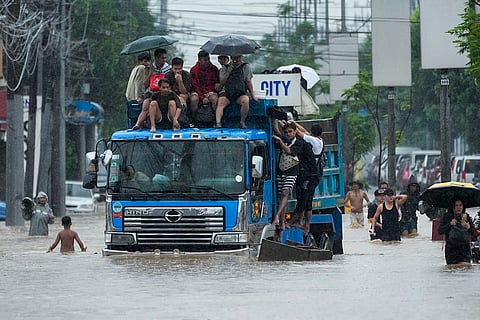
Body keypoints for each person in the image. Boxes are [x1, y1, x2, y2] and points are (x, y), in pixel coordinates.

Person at [288, 121, 323, 232]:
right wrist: (294, 123)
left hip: (310, 175)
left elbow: (299, 133)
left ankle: (296, 222)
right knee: (307, 202)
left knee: (304, 201)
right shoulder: (318, 140)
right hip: (312, 174)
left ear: (312, 133)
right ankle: (303, 223)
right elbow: (303, 131)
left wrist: (291, 125)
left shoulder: (313, 141)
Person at [214, 55, 258, 129]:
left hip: (240, 92)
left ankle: (242, 122)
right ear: (231, 58)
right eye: (234, 58)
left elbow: (248, 82)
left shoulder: (245, 67)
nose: (236, 60)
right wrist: (228, 71)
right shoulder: (225, 67)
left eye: (238, 58)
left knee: (245, 101)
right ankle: (218, 122)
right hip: (228, 92)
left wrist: (252, 95)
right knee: (221, 101)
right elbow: (221, 82)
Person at [272, 121, 301, 230]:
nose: (288, 134)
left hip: (292, 172)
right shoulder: (285, 140)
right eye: (286, 132)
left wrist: (280, 141)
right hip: (281, 171)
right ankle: (282, 220)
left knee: (285, 192)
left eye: (290, 132)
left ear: (295, 132)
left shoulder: (298, 143)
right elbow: (278, 134)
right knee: (281, 196)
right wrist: (274, 124)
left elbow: (289, 151)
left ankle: (277, 216)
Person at [132, 49, 171, 130]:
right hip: (152, 93)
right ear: (156, 58)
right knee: (146, 103)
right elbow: (145, 86)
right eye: (162, 58)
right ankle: (138, 124)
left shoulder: (168, 69)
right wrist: (151, 73)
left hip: (164, 93)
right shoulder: (149, 68)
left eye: (165, 58)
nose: (164, 60)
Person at [438, 199, 475, 266]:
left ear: (463, 206)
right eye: (456, 205)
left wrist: (468, 227)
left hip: (465, 250)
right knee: (453, 270)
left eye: (460, 205)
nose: (458, 207)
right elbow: (440, 231)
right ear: (453, 207)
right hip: (451, 250)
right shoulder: (447, 217)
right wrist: (450, 224)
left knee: (465, 268)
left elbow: (473, 233)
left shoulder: (467, 217)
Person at [189, 50, 219, 125]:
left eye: (208, 59)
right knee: (194, 99)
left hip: (210, 91)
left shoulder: (214, 69)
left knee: (214, 99)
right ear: (199, 60)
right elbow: (194, 85)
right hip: (197, 91)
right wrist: (202, 97)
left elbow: (215, 83)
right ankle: (193, 120)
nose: (207, 62)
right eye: (205, 60)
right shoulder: (193, 70)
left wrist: (209, 94)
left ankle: (215, 120)